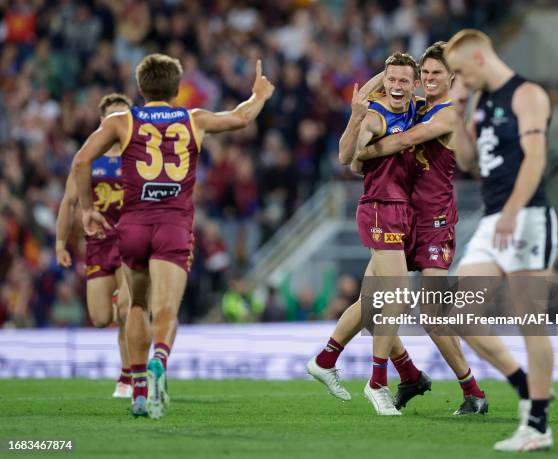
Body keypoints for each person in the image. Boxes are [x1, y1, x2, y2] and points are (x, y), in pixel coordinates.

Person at [71, 54, 274, 418]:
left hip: (132, 225)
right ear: (177, 88)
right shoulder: (193, 118)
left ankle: (136, 389)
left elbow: (81, 161)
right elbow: (241, 117)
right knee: (166, 310)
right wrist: (259, 93)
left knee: (136, 305)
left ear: (140, 88)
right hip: (173, 225)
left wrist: (87, 209)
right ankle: (160, 359)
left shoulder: (122, 120)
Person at [358, 42, 488, 415]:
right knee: (371, 310)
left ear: (451, 78)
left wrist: (360, 154)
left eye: (436, 74)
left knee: (431, 313)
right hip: (402, 218)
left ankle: (472, 391)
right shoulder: (415, 107)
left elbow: (403, 140)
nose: (429, 79)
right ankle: (410, 375)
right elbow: (378, 98)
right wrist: (382, 78)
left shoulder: (447, 115)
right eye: (425, 73)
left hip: (434, 224)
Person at [444, 29, 556, 451]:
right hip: (495, 220)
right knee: (457, 314)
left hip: (525, 216)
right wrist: (456, 116)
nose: (459, 81)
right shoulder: (481, 104)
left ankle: (539, 424)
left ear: (478, 57)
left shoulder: (527, 94)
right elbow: (472, 163)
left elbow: (537, 158)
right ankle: (527, 386)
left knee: (532, 323)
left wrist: (511, 211)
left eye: (459, 72)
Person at [308, 52, 428, 416]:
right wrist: (357, 115)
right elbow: (348, 156)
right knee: (397, 295)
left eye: (403, 80)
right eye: (390, 79)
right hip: (379, 209)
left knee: (373, 303)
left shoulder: (415, 110)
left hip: (401, 212)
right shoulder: (376, 114)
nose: (395, 86)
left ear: (413, 84)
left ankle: (325, 359)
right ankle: (377, 383)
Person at [56, 93, 134, 399]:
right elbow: (69, 202)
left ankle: (129, 377)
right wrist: (61, 242)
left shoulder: (139, 156)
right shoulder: (88, 158)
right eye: (114, 116)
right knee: (102, 318)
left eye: (125, 116)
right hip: (98, 245)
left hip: (131, 242)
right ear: (103, 122)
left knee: (128, 311)